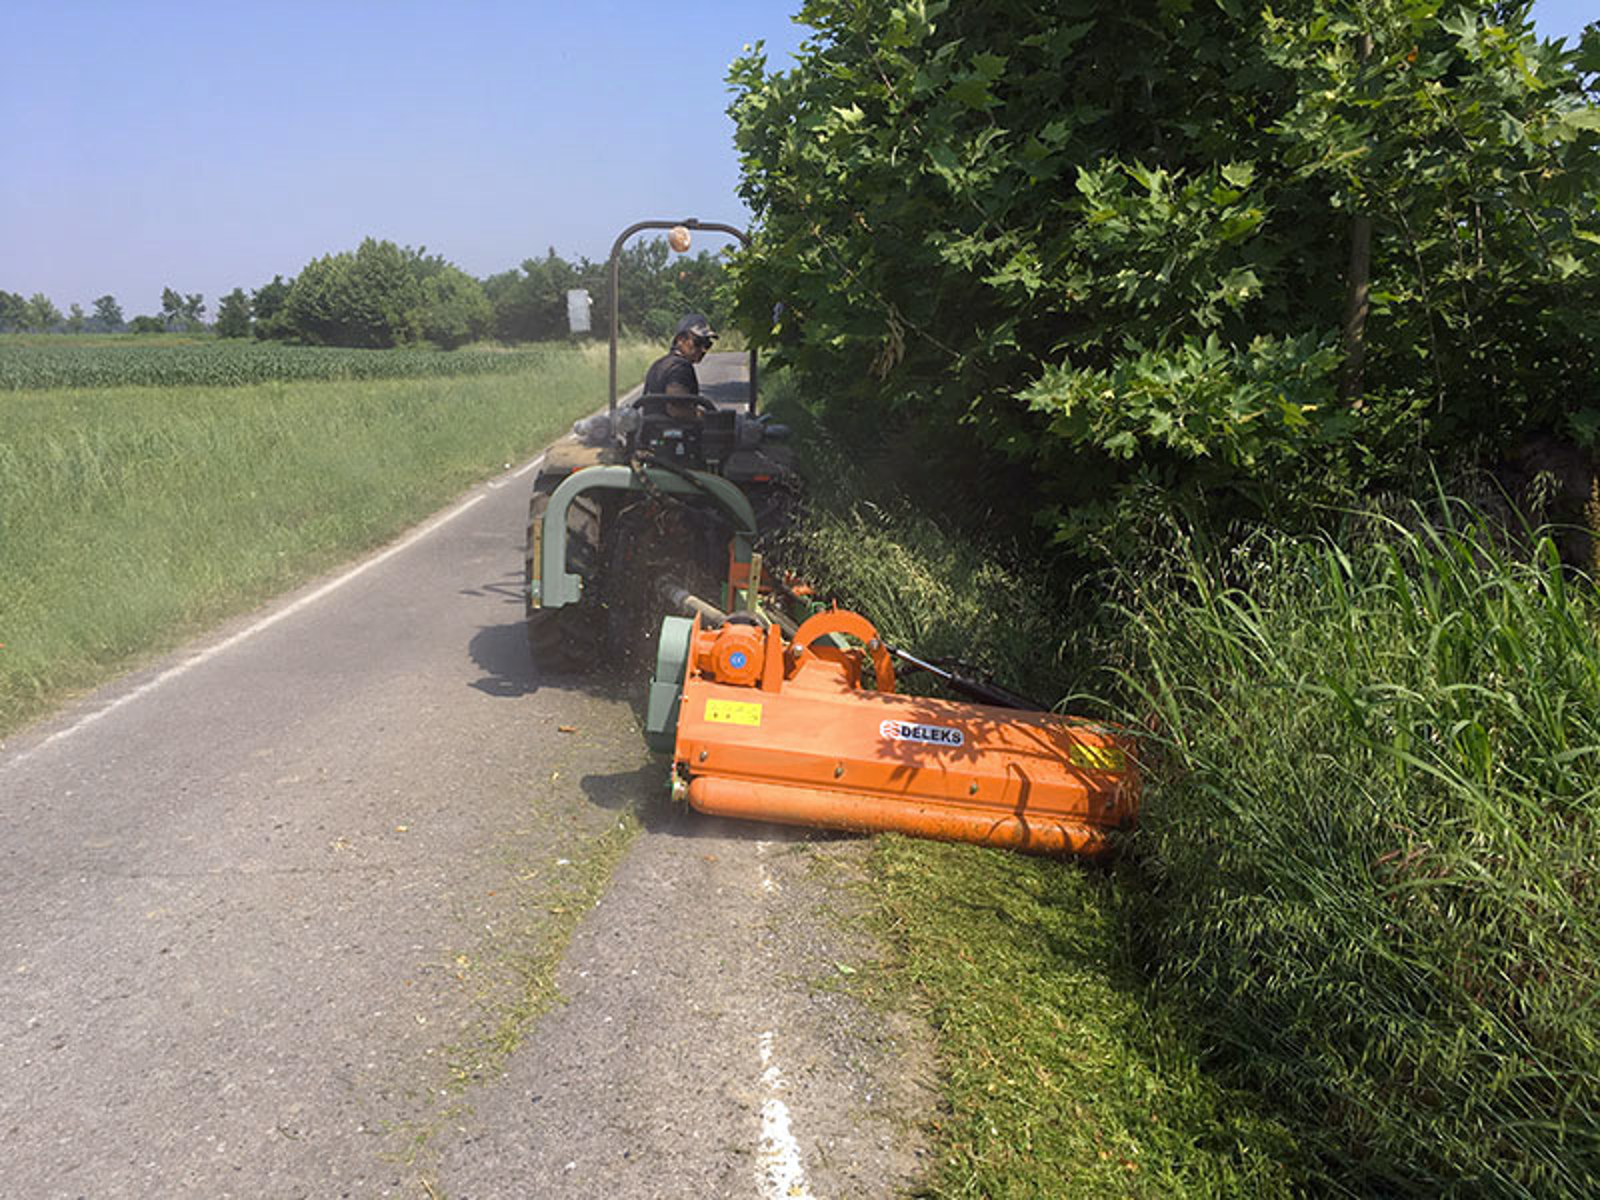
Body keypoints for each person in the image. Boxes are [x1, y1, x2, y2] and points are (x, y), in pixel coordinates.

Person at [640, 313, 717, 420]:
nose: (703, 349)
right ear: (681, 340)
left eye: (708, 344)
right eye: (698, 342)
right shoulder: (680, 367)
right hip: (673, 429)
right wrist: (710, 417)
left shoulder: (659, 363)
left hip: (650, 428)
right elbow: (677, 409)